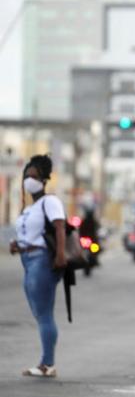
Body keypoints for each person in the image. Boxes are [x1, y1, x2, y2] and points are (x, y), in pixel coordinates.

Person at [9, 154, 67, 378]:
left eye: (33, 176)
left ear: (43, 180)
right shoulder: (29, 208)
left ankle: (47, 364)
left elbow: (60, 227)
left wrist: (60, 255)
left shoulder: (49, 202)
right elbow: (31, 234)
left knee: (44, 314)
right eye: (26, 176)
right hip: (28, 259)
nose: (28, 180)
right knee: (40, 312)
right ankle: (46, 362)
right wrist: (18, 244)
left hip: (42, 260)